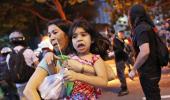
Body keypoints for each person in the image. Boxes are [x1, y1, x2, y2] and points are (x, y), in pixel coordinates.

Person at [63, 18, 108, 99]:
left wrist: (77, 76)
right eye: (74, 37)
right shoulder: (69, 58)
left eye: (83, 35)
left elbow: (103, 81)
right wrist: (49, 54)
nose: (79, 39)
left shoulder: (95, 59)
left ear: (92, 39)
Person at [128, 4, 162, 100]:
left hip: (148, 72)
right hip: (153, 70)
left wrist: (134, 69)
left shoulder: (141, 28)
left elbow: (145, 51)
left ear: (133, 16)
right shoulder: (147, 26)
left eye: (129, 15)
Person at [8, 31, 39, 100]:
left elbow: (11, 70)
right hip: (32, 83)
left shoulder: (8, 56)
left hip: (19, 85)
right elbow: (38, 67)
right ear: (22, 40)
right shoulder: (29, 51)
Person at [113, 31, 129, 96]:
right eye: (122, 34)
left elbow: (120, 50)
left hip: (120, 59)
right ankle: (124, 87)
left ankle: (124, 89)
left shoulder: (118, 40)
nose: (123, 35)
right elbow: (122, 49)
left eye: (123, 34)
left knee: (120, 74)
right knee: (121, 74)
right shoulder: (119, 40)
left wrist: (113, 53)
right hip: (121, 59)